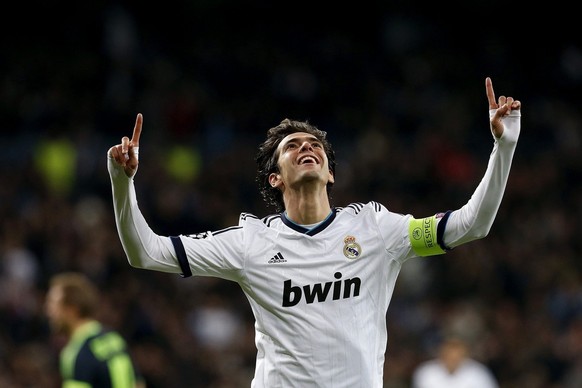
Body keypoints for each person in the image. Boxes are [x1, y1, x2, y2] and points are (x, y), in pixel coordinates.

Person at [107, 77, 521, 387]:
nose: (307, 147)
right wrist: (122, 183)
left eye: (315, 144)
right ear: (275, 179)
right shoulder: (250, 242)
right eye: (292, 146)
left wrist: (504, 148)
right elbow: (145, 252)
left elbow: (472, 225)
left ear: (330, 172)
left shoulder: (376, 229)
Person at [45, 272, 144, 388]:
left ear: (72, 309)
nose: (48, 311)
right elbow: (138, 384)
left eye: (53, 305)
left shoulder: (76, 354)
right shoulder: (114, 338)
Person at [411, 335, 499, 388]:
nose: (453, 361)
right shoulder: (426, 372)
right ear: (441, 355)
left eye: (457, 357)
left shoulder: (478, 373)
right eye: (449, 356)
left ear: (465, 357)